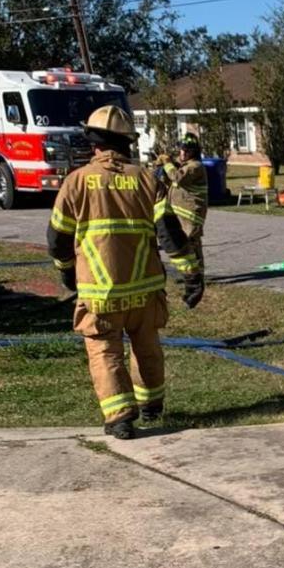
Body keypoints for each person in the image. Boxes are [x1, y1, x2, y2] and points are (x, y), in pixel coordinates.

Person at [48, 105, 204, 440]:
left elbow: (58, 238)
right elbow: (170, 234)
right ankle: (151, 406)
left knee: (105, 352)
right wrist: (192, 274)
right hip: (145, 289)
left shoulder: (76, 182)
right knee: (147, 346)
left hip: (99, 294)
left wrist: (66, 272)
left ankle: (120, 418)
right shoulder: (148, 179)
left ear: (94, 143)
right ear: (127, 142)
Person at [157, 133, 208, 270]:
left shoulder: (195, 166)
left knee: (192, 244)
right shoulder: (183, 165)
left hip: (191, 215)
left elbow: (177, 177)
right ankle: (191, 272)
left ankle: (198, 274)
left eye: (187, 150)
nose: (183, 153)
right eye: (182, 149)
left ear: (194, 152)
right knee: (184, 244)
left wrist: (167, 163)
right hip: (180, 213)